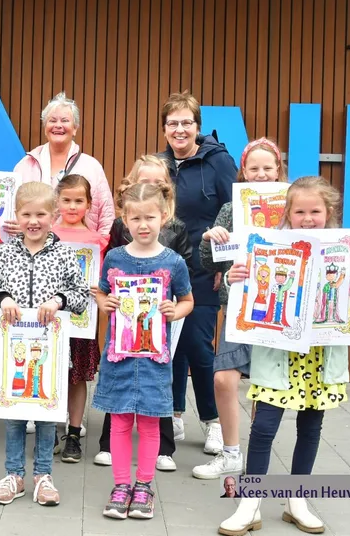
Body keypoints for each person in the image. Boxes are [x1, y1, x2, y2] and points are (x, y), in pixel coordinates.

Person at [218, 177, 347, 536]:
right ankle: (250, 502)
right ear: (287, 213)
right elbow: (244, 291)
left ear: (329, 212)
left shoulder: (344, 248)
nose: (308, 218)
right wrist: (234, 277)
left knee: (311, 426)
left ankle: (297, 498)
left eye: (315, 211)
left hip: (319, 358)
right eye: (300, 211)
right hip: (278, 355)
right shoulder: (267, 245)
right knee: (263, 428)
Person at [0, 182, 90, 507]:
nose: (33, 221)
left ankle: (44, 476)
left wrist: (58, 300)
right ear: (17, 215)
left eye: (41, 214)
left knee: (45, 413)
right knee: (14, 413)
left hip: (49, 350)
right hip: (10, 349)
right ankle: (14, 474)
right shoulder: (6, 252)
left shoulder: (64, 254)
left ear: (53, 215)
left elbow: (81, 294)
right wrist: (3, 299)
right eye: (27, 214)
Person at [94, 182, 193, 520]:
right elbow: (101, 293)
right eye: (135, 218)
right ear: (124, 219)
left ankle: (144, 486)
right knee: (120, 421)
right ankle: (121, 485)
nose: (143, 225)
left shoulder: (174, 262)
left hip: (154, 359)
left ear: (163, 217)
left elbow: (188, 300)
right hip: (120, 356)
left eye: (150, 217)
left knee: (150, 424)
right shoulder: (114, 258)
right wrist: (104, 302)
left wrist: (174, 311)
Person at [193, 138, 287, 480]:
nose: (261, 174)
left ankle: (258, 456)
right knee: (223, 378)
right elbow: (210, 264)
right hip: (239, 308)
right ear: (243, 173)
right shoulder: (233, 210)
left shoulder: (293, 208)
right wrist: (210, 241)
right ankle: (231, 453)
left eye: (268, 167)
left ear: (278, 170)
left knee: (265, 385)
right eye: (254, 168)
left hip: (279, 311)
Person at [160, 91, 237, 455]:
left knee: (197, 344)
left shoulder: (217, 162)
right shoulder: (160, 165)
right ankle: (174, 415)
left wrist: (224, 262)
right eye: (172, 123)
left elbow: (235, 212)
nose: (179, 129)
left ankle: (212, 421)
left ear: (197, 127)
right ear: (164, 129)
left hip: (205, 268)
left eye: (186, 122)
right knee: (171, 346)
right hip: (163, 267)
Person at [50, 174, 109, 463]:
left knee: (76, 377)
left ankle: (73, 432)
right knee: (50, 370)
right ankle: (50, 428)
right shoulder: (46, 234)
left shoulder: (97, 240)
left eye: (78, 201)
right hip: (48, 320)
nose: (72, 206)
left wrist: (100, 286)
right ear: (57, 201)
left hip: (80, 321)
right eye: (66, 200)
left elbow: (104, 278)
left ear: (89, 204)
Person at [12, 92, 114, 235]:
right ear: (45, 127)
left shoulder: (92, 166)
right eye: (52, 120)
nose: (58, 125)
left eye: (65, 120)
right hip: (32, 248)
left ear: (75, 128)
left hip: (81, 250)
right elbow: (13, 210)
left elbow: (106, 215)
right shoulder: (24, 165)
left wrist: (99, 248)